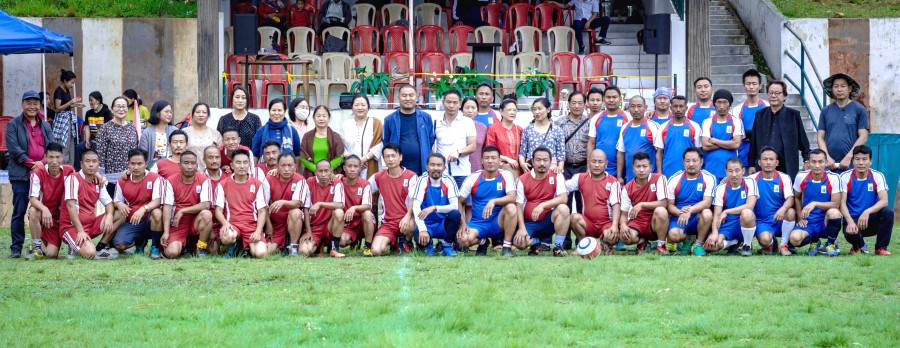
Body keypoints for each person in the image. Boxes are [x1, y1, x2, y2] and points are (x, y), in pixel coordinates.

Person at [5, 91, 54, 258]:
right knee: (19, 211)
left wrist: (43, 163)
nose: (32, 106)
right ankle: (16, 247)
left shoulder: (45, 125)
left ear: (39, 105)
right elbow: (14, 149)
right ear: (22, 104)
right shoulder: (13, 124)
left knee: (43, 209)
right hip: (21, 175)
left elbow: (51, 148)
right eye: (29, 103)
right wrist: (32, 164)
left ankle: (42, 243)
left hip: (42, 175)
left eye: (35, 103)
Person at [59, 150, 123, 259]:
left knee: (121, 213)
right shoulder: (73, 178)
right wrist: (80, 231)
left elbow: (109, 204)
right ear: (81, 164)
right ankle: (74, 246)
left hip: (90, 225)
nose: (91, 165)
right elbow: (70, 206)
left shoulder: (98, 182)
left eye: (94, 161)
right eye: (87, 161)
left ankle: (101, 247)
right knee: (89, 253)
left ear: (99, 164)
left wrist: (109, 216)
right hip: (72, 227)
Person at [457, 146, 519, 257]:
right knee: (463, 240)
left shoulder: (506, 175)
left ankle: (506, 246)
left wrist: (494, 201)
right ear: (482, 161)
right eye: (487, 158)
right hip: (478, 223)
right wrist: (462, 223)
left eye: (493, 158)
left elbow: (512, 197)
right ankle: (483, 242)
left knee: (511, 207)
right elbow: (459, 201)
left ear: (500, 161)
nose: (490, 161)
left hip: (498, 222)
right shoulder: (473, 178)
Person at [653, 147, 715, 256]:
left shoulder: (709, 178)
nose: (691, 164)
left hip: (697, 217)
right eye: (687, 161)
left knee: (707, 213)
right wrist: (680, 213)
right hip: (679, 216)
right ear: (683, 162)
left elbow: (707, 203)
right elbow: (670, 205)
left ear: (701, 162)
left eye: (694, 161)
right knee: (674, 236)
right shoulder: (674, 179)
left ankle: (697, 244)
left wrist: (690, 210)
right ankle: (687, 241)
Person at [514, 147, 571, 256]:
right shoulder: (522, 179)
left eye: (545, 160)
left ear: (550, 162)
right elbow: (518, 206)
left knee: (564, 208)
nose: (542, 163)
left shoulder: (557, 175)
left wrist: (543, 205)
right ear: (532, 161)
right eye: (538, 160)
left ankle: (558, 246)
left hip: (547, 222)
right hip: (529, 223)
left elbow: (563, 198)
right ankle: (536, 243)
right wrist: (521, 228)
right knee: (519, 243)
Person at [748, 80, 810, 178]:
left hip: (787, 165)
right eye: (771, 93)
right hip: (764, 165)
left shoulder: (794, 115)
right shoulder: (760, 115)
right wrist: (751, 164)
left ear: (785, 96)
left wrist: (806, 160)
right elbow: (753, 143)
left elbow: (803, 141)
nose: (773, 96)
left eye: (777, 93)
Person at [214, 150, 270, 258]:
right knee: (227, 237)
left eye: (245, 162)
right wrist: (225, 223)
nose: (242, 166)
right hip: (233, 225)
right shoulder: (223, 184)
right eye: (238, 163)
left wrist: (258, 231)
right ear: (232, 165)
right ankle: (233, 245)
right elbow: (218, 210)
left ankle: (243, 248)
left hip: (251, 226)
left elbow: (262, 210)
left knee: (261, 253)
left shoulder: (257, 184)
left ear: (249, 164)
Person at [839, 145, 893, 255]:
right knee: (850, 232)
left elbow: (884, 201)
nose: (861, 163)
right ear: (853, 161)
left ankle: (880, 248)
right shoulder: (845, 177)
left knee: (888, 212)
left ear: (871, 161)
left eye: (864, 159)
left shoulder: (877, 176)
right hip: (853, 219)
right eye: (857, 159)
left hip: (870, 219)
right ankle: (857, 246)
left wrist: (867, 211)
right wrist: (849, 221)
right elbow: (842, 203)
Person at [110, 148, 164, 258]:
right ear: (128, 164)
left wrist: (144, 208)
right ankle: (139, 242)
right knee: (119, 245)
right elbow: (116, 200)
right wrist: (120, 204)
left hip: (149, 219)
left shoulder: (155, 178)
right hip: (132, 221)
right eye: (132, 164)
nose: (136, 167)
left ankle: (155, 247)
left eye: (139, 164)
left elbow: (158, 200)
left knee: (157, 213)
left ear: (146, 164)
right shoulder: (122, 181)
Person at [789, 149, 843, 256]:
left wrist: (815, 204)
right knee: (794, 239)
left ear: (826, 162)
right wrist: (800, 217)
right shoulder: (801, 176)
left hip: (825, 221)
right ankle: (814, 241)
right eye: (813, 162)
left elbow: (836, 204)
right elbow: (797, 197)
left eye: (820, 162)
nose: (817, 165)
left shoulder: (834, 178)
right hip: (808, 222)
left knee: (834, 213)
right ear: (808, 162)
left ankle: (830, 243)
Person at [161, 150, 214, 258]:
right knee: (172, 253)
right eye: (186, 163)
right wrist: (166, 232)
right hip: (177, 223)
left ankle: (201, 248)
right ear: (179, 165)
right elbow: (167, 206)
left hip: (195, 220)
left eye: (193, 163)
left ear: (197, 165)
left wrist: (183, 210)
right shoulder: (170, 181)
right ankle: (182, 246)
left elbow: (205, 205)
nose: (190, 166)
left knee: (206, 214)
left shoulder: (204, 180)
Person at [25, 143, 75, 259]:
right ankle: (36, 245)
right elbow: (32, 198)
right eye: (51, 157)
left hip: (57, 219)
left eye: (57, 157)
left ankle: (35, 245)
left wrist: (98, 175)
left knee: (51, 254)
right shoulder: (37, 173)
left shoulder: (69, 171)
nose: (54, 161)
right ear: (45, 158)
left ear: (62, 157)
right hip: (42, 214)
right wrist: (44, 209)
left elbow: (85, 175)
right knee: (33, 211)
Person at [566, 149, 621, 254]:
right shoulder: (580, 178)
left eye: (600, 162)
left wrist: (614, 225)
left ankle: (604, 245)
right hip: (589, 223)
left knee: (610, 235)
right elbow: (563, 187)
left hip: (606, 224)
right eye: (594, 161)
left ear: (606, 164)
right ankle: (583, 245)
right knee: (573, 218)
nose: (596, 165)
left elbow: (616, 205)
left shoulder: (613, 182)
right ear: (588, 162)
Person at [369, 144, 419, 256]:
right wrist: (342, 178)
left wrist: (408, 216)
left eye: (393, 156)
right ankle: (393, 243)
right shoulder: (378, 177)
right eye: (387, 156)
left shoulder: (411, 176)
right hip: (388, 223)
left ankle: (407, 242)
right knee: (376, 251)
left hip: (406, 219)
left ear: (400, 157)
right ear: (383, 159)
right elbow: (364, 188)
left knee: (411, 224)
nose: (390, 159)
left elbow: (413, 199)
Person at [749, 146, 797, 255]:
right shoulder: (752, 179)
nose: (768, 162)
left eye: (771, 159)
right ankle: (770, 243)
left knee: (790, 212)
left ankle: (783, 245)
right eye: (765, 159)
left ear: (777, 162)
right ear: (759, 162)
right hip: (763, 221)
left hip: (780, 218)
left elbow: (790, 198)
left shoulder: (784, 177)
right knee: (765, 240)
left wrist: (783, 209)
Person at [411, 153, 461, 257]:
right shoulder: (422, 180)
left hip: (443, 224)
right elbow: (416, 206)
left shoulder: (449, 180)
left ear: (444, 167)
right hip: (427, 223)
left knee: (455, 214)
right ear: (427, 167)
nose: (436, 168)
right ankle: (428, 245)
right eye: (432, 165)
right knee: (417, 234)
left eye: (439, 165)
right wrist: (423, 229)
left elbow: (455, 206)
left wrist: (434, 208)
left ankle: (446, 245)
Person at [617, 152, 668, 254]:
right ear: (633, 168)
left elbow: (664, 203)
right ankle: (641, 241)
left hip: (654, 221)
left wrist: (642, 204)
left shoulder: (659, 178)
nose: (641, 170)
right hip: (638, 222)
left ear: (650, 167)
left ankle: (661, 244)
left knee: (661, 211)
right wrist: (622, 224)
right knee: (625, 238)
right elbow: (624, 214)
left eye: (644, 166)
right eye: (638, 166)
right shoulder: (627, 188)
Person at [817, 73, 869, 171]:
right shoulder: (826, 111)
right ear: (832, 89)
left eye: (843, 86)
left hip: (852, 163)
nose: (839, 89)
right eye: (836, 86)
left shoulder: (859, 109)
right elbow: (820, 136)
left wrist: (849, 157)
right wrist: (826, 157)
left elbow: (863, 136)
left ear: (850, 89)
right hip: (830, 164)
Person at [708, 158, 759, 256]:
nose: (734, 174)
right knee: (710, 246)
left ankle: (747, 245)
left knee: (746, 212)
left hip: (744, 222)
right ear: (726, 172)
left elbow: (750, 205)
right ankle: (734, 242)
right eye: (730, 171)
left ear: (743, 171)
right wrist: (714, 232)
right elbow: (717, 215)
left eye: (737, 170)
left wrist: (726, 211)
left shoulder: (750, 182)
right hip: (728, 224)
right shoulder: (720, 188)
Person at [382, 85, 435, 176]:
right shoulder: (390, 119)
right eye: (404, 95)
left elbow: (430, 140)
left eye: (411, 95)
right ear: (398, 98)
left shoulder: (426, 118)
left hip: (421, 167)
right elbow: (386, 142)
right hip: (398, 168)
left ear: (417, 97)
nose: (408, 98)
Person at [299, 159, 346, 258]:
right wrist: (308, 231)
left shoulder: (337, 183)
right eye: (320, 171)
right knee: (304, 251)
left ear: (331, 171)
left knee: (339, 212)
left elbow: (340, 205)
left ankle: (334, 248)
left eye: (326, 171)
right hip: (314, 227)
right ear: (315, 172)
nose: (323, 174)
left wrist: (320, 204)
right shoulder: (309, 182)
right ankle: (319, 244)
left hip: (329, 225)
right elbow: (305, 208)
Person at [96, 96, 141, 196]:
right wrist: (101, 175)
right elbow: (100, 154)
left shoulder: (132, 128)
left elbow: (135, 152)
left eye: (124, 106)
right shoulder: (105, 128)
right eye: (118, 106)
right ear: (112, 109)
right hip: (110, 179)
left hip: (130, 176)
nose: (121, 109)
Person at [556, 91, 592, 217]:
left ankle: (581, 235)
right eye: (574, 103)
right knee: (565, 201)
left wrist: (589, 167)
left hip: (583, 167)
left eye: (580, 103)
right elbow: (555, 145)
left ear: (585, 104)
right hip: (565, 167)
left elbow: (592, 144)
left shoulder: (590, 123)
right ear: (569, 104)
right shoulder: (559, 123)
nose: (577, 106)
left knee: (583, 201)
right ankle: (565, 236)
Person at [265, 152, 307, 256]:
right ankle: (283, 246)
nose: (286, 169)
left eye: (290, 165)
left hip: (293, 221)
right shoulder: (269, 178)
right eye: (283, 165)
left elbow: (297, 203)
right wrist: (269, 226)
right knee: (268, 251)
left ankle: (293, 246)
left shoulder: (300, 180)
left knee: (296, 212)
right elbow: (263, 205)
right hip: (276, 223)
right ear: (277, 166)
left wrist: (282, 202)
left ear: (295, 166)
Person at [433, 90, 477, 188]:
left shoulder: (467, 122)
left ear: (460, 104)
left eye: (455, 102)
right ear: (443, 103)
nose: (451, 105)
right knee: (441, 202)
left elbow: (472, 146)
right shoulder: (436, 122)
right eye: (448, 102)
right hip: (440, 172)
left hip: (462, 172)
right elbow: (432, 146)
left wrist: (458, 152)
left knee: (460, 202)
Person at [700, 89, 744, 182]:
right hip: (710, 169)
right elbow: (705, 146)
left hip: (731, 172)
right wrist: (729, 143)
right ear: (714, 103)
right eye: (719, 102)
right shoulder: (707, 122)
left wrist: (715, 140)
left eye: (725, 102)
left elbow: (736, 145)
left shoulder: (736, 121)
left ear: (730, 104)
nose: (722, 106)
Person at [616, 95, 660, 184]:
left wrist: (659, 174)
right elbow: (621, 153)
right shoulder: (625, 127)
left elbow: (660, 152)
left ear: (645, 107)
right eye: (633, 106)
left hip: (649, 180)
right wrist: (619, 176)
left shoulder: (653, 126)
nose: (636, 109)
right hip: (630, 179)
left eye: (639, 106)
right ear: (628, 108)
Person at [587, 85, 630, 176]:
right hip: (600, 168)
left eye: (614, 97)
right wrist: (588, 167)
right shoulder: (596, 118)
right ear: (603, 99)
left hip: (624, 169)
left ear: (620, 99)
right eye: (608, 97)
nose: (611, 100)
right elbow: (591, 143)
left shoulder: (629, 118)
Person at [656, 95, 702, 178]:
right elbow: (659, 152)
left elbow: (699, 151)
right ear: (670, 108)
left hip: (690, 172)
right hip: (668, 172)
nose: (678, 109)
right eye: (675, 106)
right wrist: (659, 173)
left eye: (681, 106)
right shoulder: (663, 127)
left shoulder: (695, 126)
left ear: (686, 108)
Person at [519, 98, 566, 175]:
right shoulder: (527, 129)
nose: (537, 112)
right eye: (534, 109)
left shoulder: (557, 130)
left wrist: (560, 167)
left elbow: (561, 153)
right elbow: (522, 152)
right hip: (532, 169)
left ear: (548, 110)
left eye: (540, 109)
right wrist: (523, 164)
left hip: (552, 170)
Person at [340, 95, 384, 179]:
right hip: (350, 166)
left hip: (369, 164)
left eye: (363, 105)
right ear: (352, 107)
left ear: (368, 107)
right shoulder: (346, 124)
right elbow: (340, 145)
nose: (360, 107)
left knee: (370, 188)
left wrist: (363, 159)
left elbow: (379, 144)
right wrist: (352, 161)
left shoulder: (376, 123)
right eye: (356, 105)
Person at [339, 155, 375, 255]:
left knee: (367, 213)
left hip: (363, 220)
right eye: (349, 166)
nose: (352, 169)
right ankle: (356, 240)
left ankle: (367, 247)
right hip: (349, 222)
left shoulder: (365, 184)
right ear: (344, 168)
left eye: (355, 166)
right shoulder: (339, 183)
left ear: (360, 168)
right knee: (342, 242)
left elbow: (367, 205)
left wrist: (354, 208)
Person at [733, 69, 768, 170]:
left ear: (760, 86)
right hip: (743, 155)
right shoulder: (737, 109)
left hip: (764, 156)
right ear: (743, 86)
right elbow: (737, 134)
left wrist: (748, 135)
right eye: (748, 84)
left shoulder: (767, 107)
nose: (751, 87)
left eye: (754, 83)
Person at [299, 106, 345, 177]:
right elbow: (302, 156)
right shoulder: (307, 136)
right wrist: (316, 169)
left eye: (324, 116)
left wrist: (327, 169)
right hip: (312, 174)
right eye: (318, 116)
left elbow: (340, 156)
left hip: (331, 174)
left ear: (329, 118)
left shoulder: (335, 136)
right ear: (314, 118)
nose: (321, 118)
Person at [485, 99, 523, 177]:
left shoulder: (519, 130)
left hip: (517, 169)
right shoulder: (493, 129)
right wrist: (507, 159)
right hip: (500, 168)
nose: (512, 112)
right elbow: (489, 150)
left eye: (514, 110)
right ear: (501, 111)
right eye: (509, 110)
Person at [52, 69, 84, 164]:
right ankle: (63, 163)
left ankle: (70, 164)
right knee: (64, 142)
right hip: (62, 120)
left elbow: (66, 106)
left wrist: (77, 105)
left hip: (68, 118)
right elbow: (57, 108)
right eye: (71, 83)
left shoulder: (66, 90)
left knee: (70, 142)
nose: (72, 85)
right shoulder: (59, 91)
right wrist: (71, 102)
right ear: (65, 81)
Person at [76, 91, 112, 171]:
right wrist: (87, 141)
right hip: (92, 140)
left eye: (91, 100)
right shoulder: (89, 113)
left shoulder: (106, 112)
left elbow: (107, 129)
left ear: (98, 101)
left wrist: (99, 140)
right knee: (79, 147)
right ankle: (78, 171)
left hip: (103, 142)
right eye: (89, 100)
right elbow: (87, 127)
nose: (90, 102)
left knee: (95, 148)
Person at [202, 145, 228, 255]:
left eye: (217, 157)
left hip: (225, 222)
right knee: (213, 252)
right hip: (207, 223)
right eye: (210, 157)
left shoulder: (229, 176)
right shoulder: (199, 177)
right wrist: (210, 231)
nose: (214, 161)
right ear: (204, 160)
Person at [183, 102, 222, 172]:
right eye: (198, 112)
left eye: (204, 112)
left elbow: (221, 153)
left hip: (211, 172)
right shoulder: (184, 132)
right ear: (192, 115)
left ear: (208, 115)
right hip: (189, 172)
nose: (201, 115)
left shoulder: (215, 134)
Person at [462, 96, 488, 172]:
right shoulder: (456, 126)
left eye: (473, 108)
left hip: (478, 168)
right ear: (462, 109)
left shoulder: (482, 128)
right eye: (467, 107)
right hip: (459, 168)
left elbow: (485, 149)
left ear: (477, 110)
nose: (470, 111)